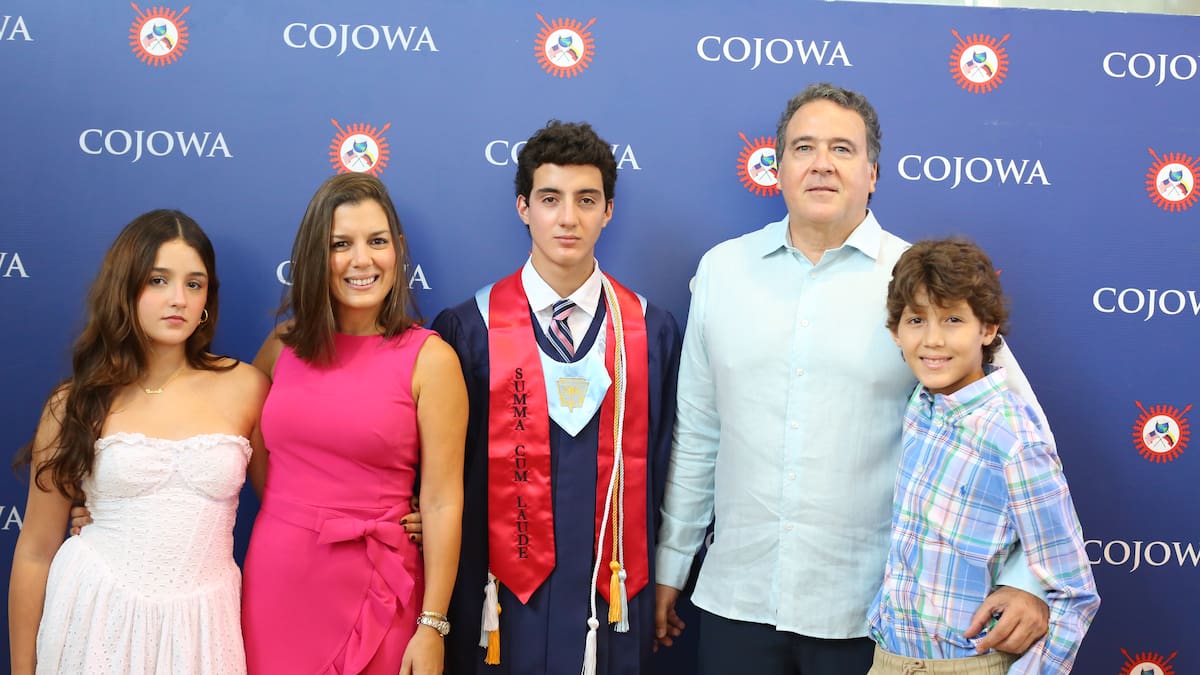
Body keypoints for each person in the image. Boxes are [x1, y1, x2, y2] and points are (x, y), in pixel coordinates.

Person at [654, 83, 1054, 674]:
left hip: (878, 615)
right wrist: (671, 565)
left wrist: (1028, 581)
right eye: (803, 147)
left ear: (872, 173)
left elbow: (1019, 440)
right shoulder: (722, 271)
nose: (821, 163)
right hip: (734, 602)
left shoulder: (924, 282)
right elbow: (700, 435)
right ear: (779, 168)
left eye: (842, 149)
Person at [432, 120, 682, 675]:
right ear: (523, 207)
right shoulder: (469, 329)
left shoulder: (651, 331)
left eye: (586, 200)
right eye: (550, 199)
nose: (568, 218)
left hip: (613, 594)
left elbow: (670, 460)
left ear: (608, 210)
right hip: (498, 597)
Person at [9, 210, 269, 674]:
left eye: (195, 283)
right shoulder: (75, 401)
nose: (178, 299)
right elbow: (33, 550)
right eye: (158, 280)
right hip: (94, 614)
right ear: (125, 287)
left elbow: (291, 506)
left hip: (203, 627)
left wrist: (393, 510)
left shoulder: (246, 386)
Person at [239, 173, 466, 675]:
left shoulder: (431, 359)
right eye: (341, 244)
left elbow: (444, 498)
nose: (362, 260)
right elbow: (231, 442)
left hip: (382, 584)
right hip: (277, 581)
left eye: (377, 241)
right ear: (317, 256)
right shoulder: (282, 346)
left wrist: (433, 624)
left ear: (398, 249)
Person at [867, 238, 1099, 675]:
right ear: (896, 331)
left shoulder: (1013, 439)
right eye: (917, 320)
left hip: (969, 664)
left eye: (953, 319)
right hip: (889, 658)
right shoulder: (921, 407)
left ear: (987, 330)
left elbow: (1074, 592)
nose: (933, 340)